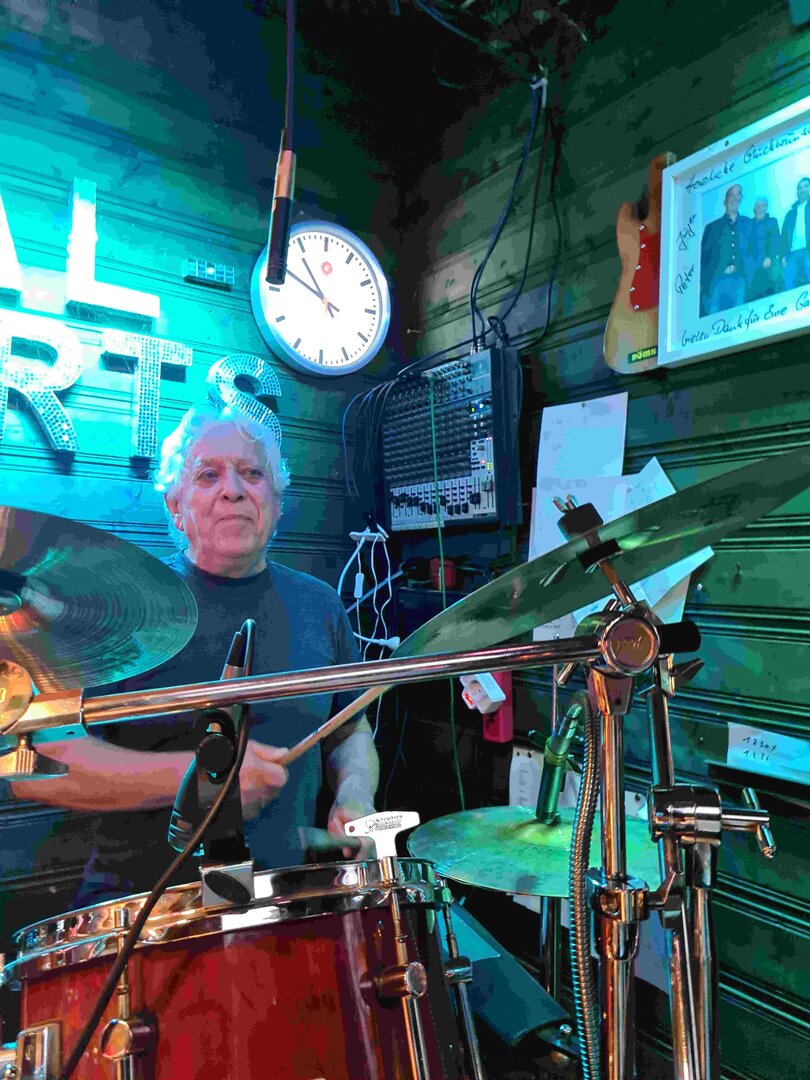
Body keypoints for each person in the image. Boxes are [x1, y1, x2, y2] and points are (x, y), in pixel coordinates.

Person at [11, 404, 379, 905]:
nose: (234, 490)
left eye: (253, 474)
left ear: (276, 500)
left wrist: (354, 793)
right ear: (175, 506)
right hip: (148, 906)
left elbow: (349, 728)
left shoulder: (320, 605)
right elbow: (41, 771)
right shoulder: (109, 611)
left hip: (287, 898)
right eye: (208, 475)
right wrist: (207, 780)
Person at [699, 183, 752, 317]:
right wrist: (704, 285)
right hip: (716, 281)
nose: (734, 198)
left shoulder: (749, 224)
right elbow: (703, 259)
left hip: (741, 279)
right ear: (724, 201)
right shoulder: (712, 227)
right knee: (713, 318)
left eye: (738, 195)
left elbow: (753, 252)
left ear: (741, 199)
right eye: (731, 195)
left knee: (739, 318)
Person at [746, 195, 782, 302]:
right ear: (754, 209)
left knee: (771, 294)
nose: (761, 209)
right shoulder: (748, 225)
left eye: (763, 206)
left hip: (768, 262)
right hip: (753, 266)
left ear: (766, 208)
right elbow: (746, 247)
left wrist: (769, 257)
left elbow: (776, 240)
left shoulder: (772, 221)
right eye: (758, 206)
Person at [780, 176, 810, 290]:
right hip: (793, 253)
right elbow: (784, 237)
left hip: (808, 251)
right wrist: (783, 256)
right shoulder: (790, 214)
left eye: (805, 186)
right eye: (800, 187)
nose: (802, 189)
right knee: (788, 280)